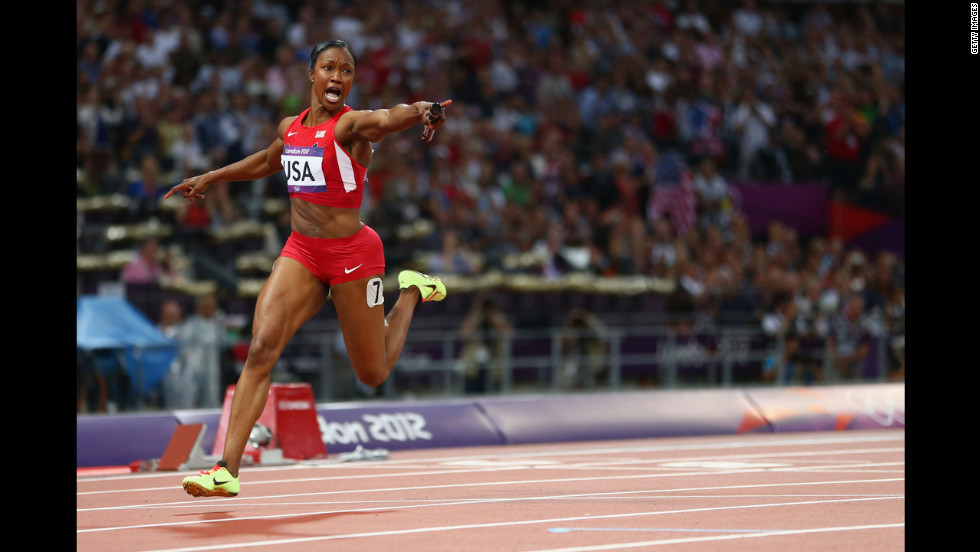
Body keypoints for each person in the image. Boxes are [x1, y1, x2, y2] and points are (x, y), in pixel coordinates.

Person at [170, 39, 451, 497]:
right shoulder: (292, 126)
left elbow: (385, 118)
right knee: (261, 348)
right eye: (328, 68)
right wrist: (212, 176)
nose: (337, 77)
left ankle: (413, 291)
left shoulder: (350, 127)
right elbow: (266, 160)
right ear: (312, 75)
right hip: (301, 251)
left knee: (372, 374)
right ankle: (226, 469)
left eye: (346, 71)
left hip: (353, 255)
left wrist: (422, 109)